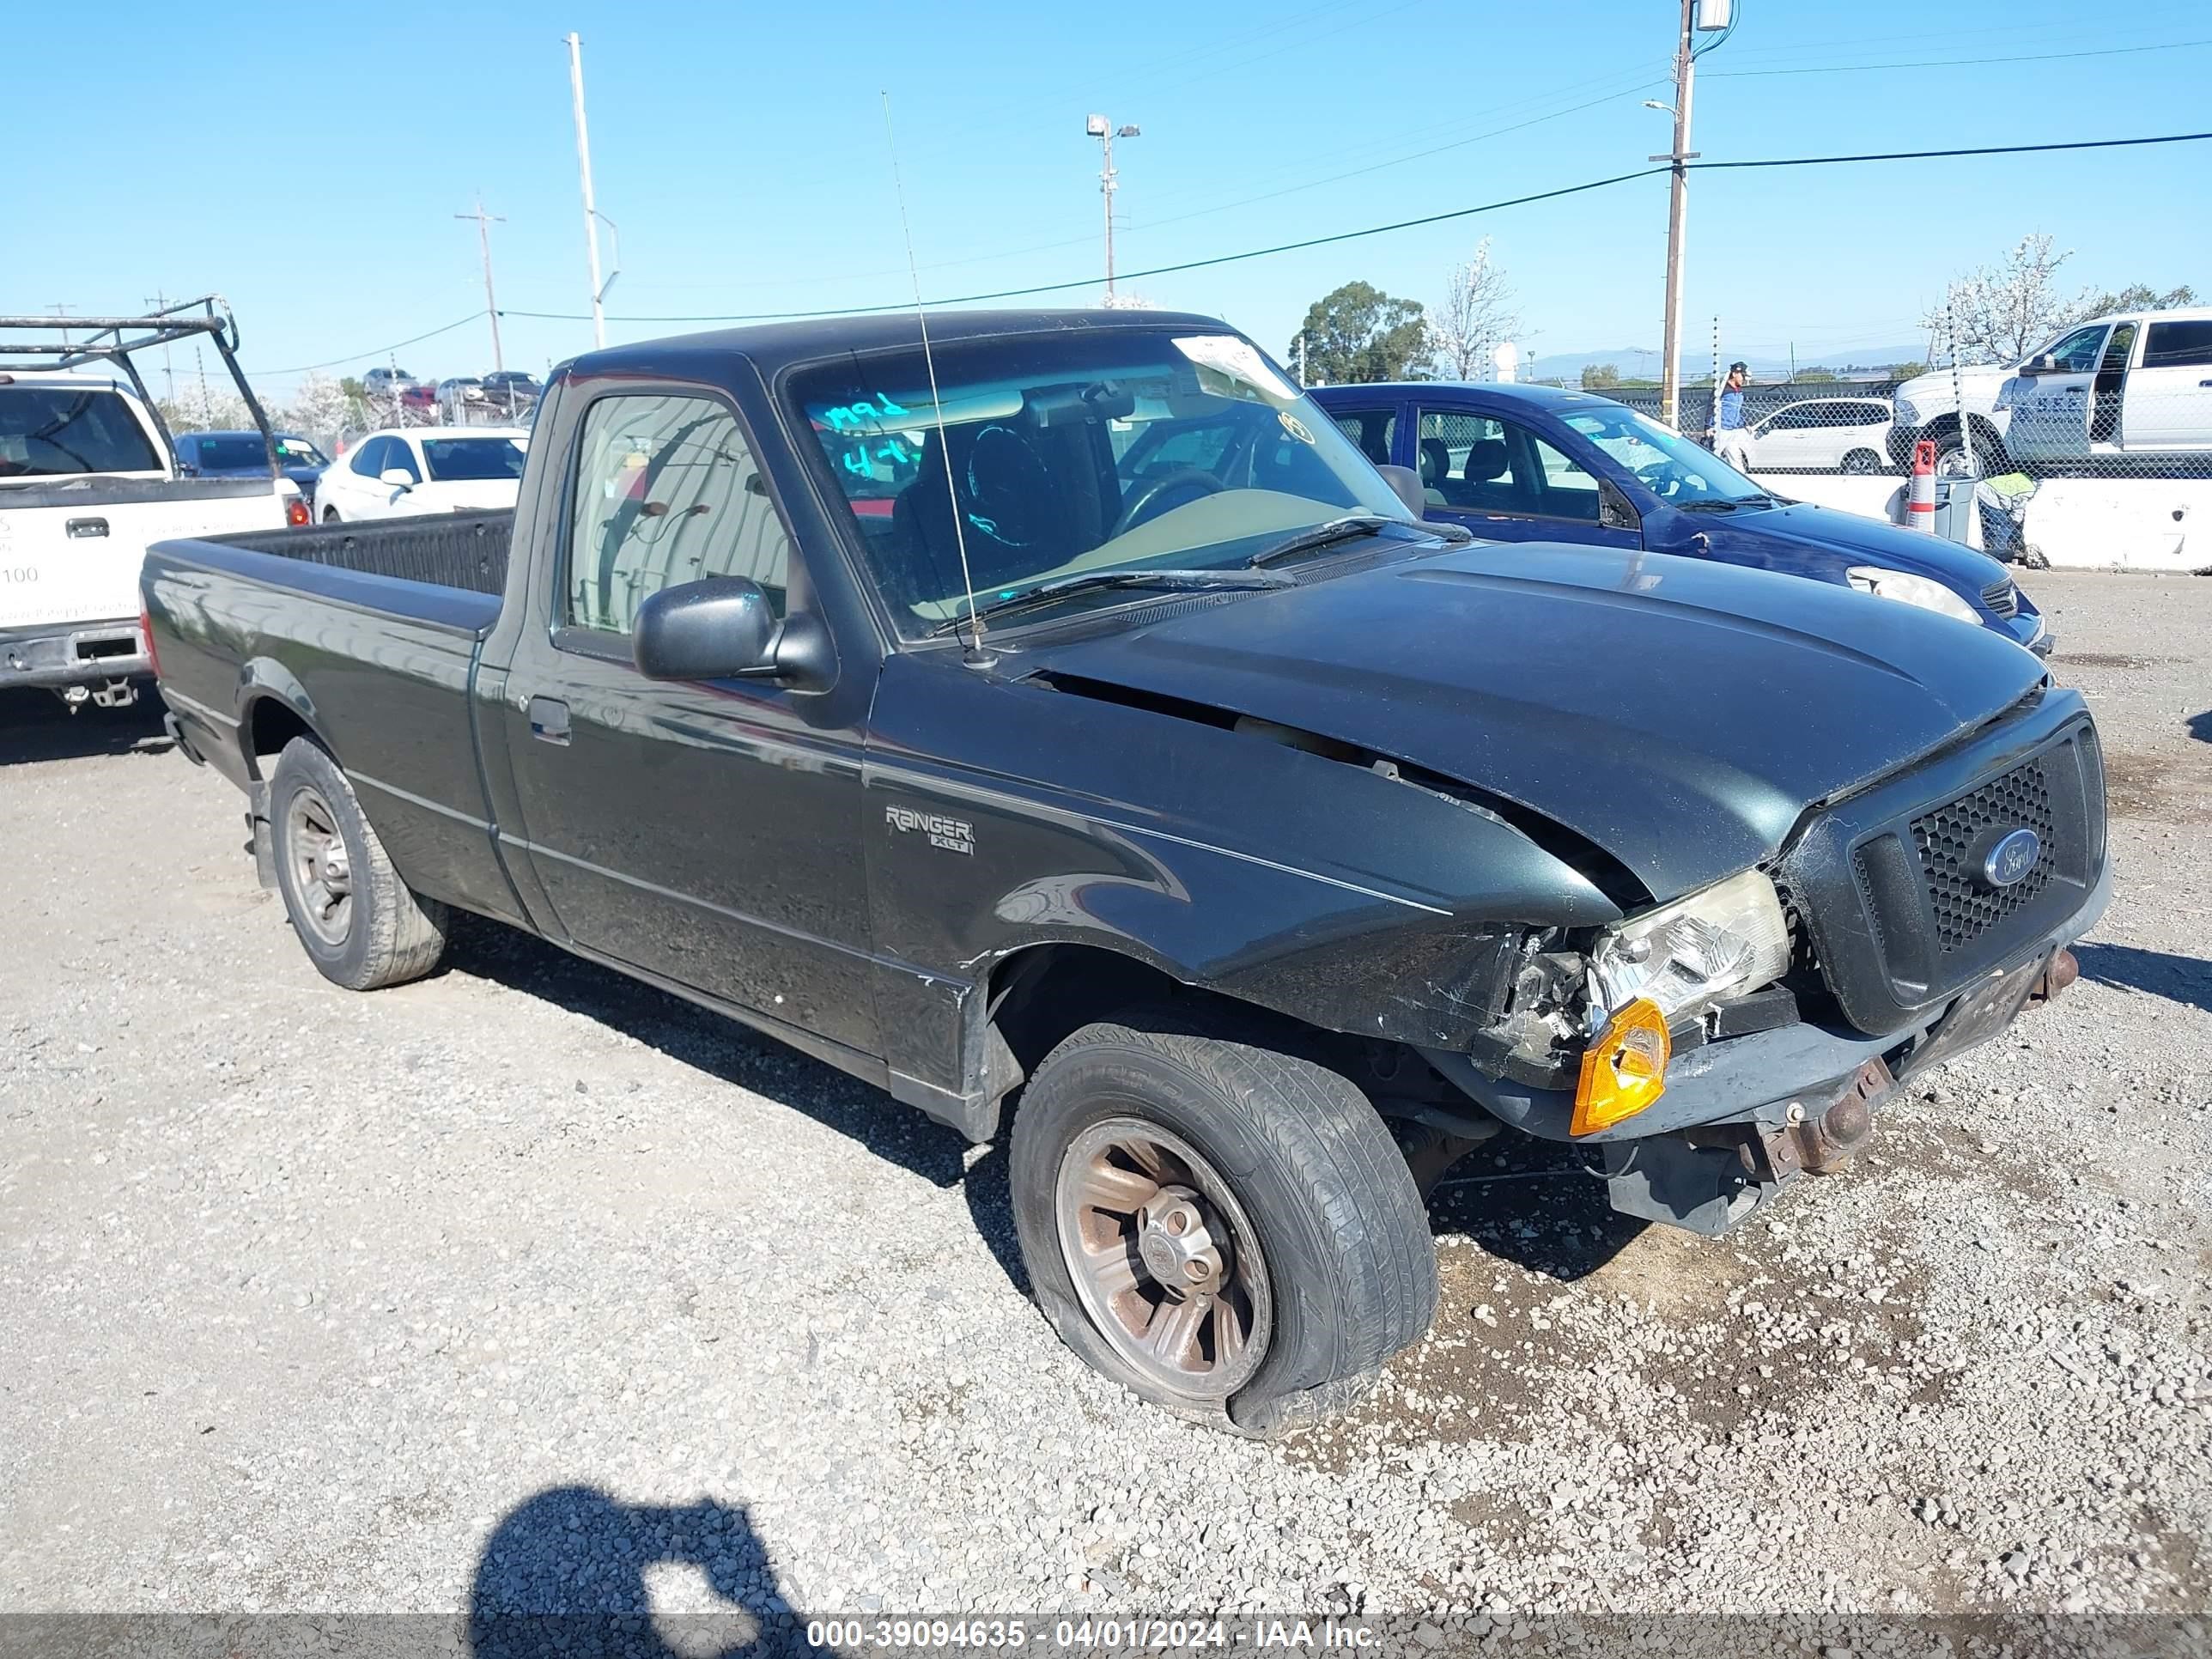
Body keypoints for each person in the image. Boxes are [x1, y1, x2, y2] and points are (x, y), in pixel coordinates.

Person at [1710, 362, 1755, 471]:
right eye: (1742, 376)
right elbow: (1711, 408)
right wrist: (1708, 426)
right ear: (1735, 374)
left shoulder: (1739, 391)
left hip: (1732, 430)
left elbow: (1738, 410)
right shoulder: (1722, 391)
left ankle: (1741, 478)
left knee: (1736, 458)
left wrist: (1745, 424)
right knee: (1713, 456)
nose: (1744, 379)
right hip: (1721, 429)